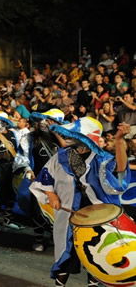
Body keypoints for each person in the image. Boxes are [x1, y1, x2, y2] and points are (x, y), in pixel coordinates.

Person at [30, 118, 131, 287]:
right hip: (68, 212)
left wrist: (119, 140)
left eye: (74, 135)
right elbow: (45, 177)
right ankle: (59, 285)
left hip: (97, 215)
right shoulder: (61, 156)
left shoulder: (101, 158)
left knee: (95, 254)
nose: (69, 138)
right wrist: (51, 195)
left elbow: (121, 174)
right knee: (66, 253)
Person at [15, 109, 66, 252]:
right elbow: (22, 157)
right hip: (39, 179)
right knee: (38, 210)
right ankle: (39, 238)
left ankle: (55, 237)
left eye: (50, 120)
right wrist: (28, 169)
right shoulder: (30, 138)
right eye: (45, 119)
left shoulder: (63, 137)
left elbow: (69, 153)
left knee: (57, 210)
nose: (45, 123)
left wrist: (56, 132)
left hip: (60, 181)